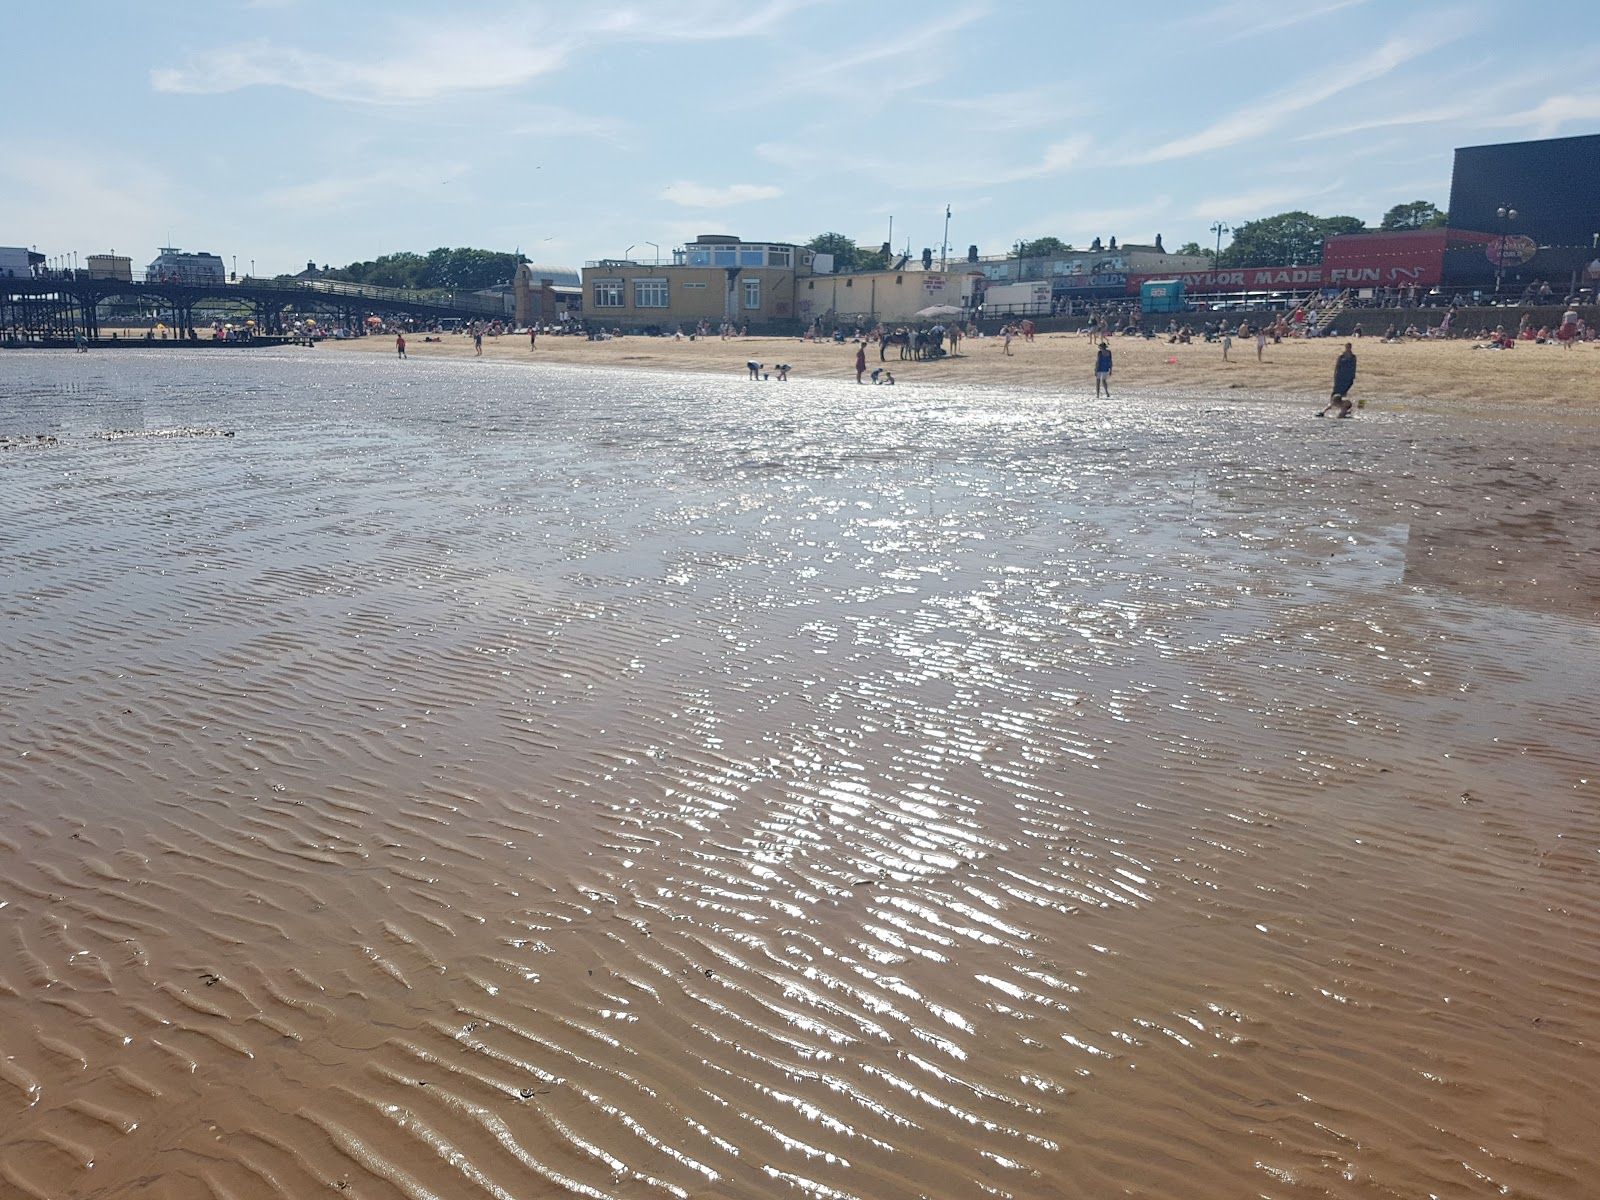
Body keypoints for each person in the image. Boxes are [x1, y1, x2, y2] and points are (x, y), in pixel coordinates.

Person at [1317, 343, 1359, 417]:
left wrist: (1353, 376)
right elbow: (1337, 366)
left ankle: (1346, 411)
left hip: (1348, 376)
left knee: (1343, 392)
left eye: (1349, 347)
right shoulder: (1341, 356)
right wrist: (1335, 375)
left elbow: (1354, 366)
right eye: (1347, 347)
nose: (1347, 348)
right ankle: (1340, 410)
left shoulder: (1353, 357)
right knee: (1336, 391)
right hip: (1340, 376)